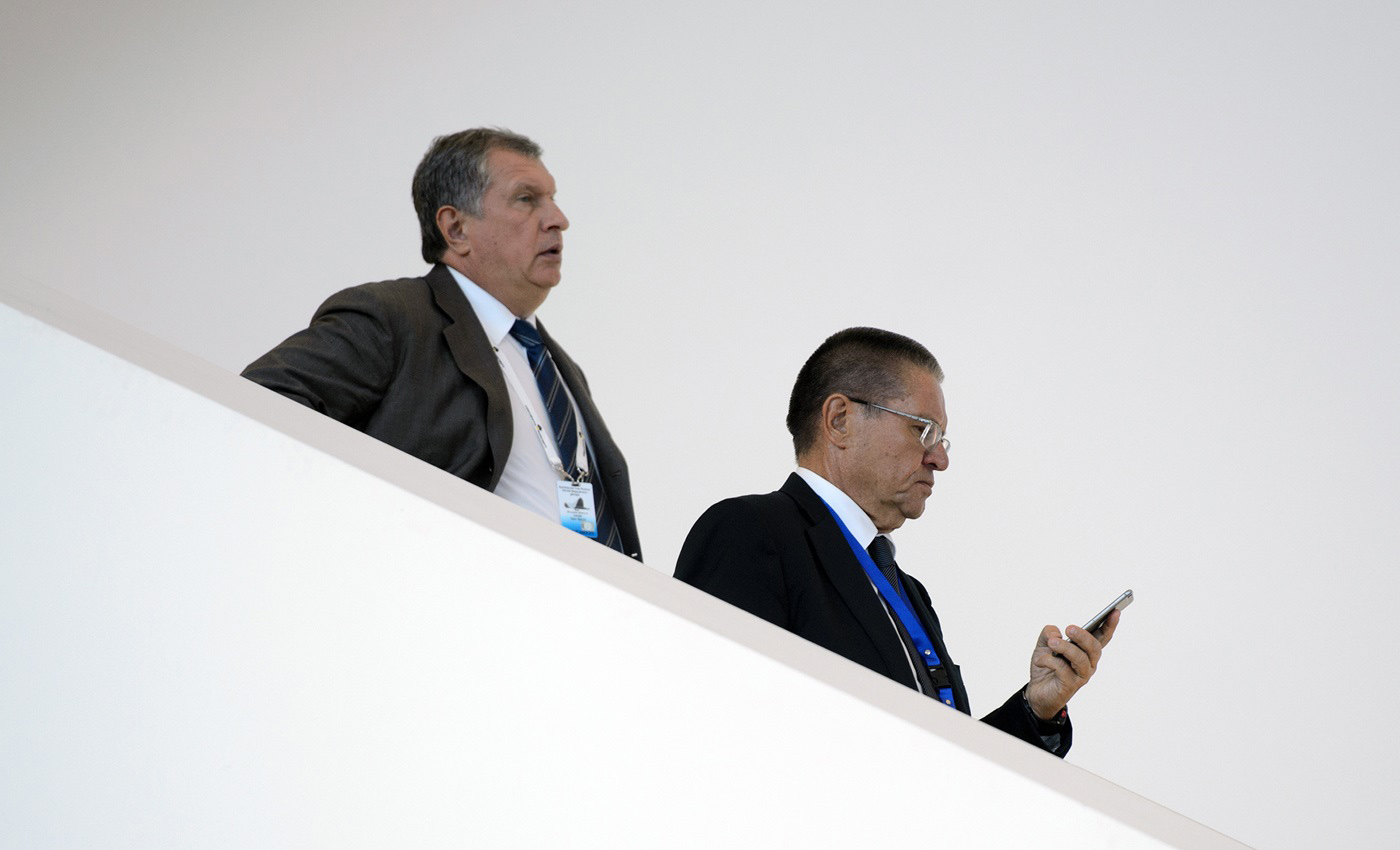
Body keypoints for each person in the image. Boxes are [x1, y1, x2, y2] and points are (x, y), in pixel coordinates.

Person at [674, 327, 1119, 754]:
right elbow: (718, 725)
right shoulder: (749, 531)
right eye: (923, 430)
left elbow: (944, 765)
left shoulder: (909, 592)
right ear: (839, 420)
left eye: (942, 439)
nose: (940, 459)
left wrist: (1036, 710)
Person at [243, 128, 641, 559]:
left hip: (590, 596)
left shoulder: (557, 367)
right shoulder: (392, 318)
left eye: (553, 198)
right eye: (526, 199)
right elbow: (260, 405)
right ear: (456, 229)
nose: (558, 219)